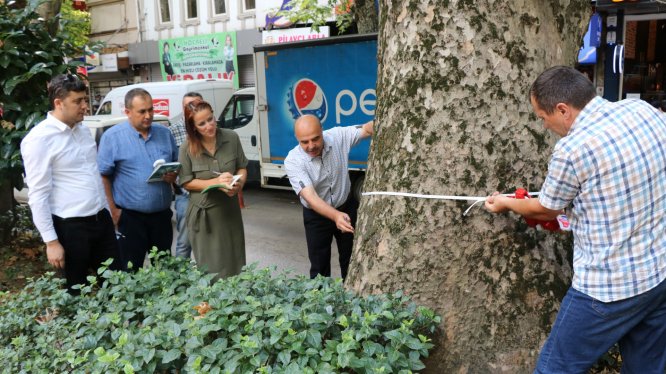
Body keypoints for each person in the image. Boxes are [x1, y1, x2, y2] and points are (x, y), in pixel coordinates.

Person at [485, 66, 666, 373]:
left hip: (607, 288)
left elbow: (546, 209)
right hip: (658, 275)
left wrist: (507, 203)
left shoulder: (572, 149)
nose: (544, 125)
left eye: (543, 118)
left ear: (563, 110)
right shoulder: (642, 111)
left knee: (555, 368)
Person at [21, 74, 120, 294]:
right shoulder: (39, 140)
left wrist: (107, 210)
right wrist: (51, 242)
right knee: (77, 292)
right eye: (78, 101)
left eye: (85, 99)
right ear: (58, 103)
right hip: (71, 228)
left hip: (100, 221)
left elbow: (93, 176)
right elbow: (37, 195)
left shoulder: (83, 131)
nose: (85, 106)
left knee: (117, 285)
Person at [97, 88, 179, 271]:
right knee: (130, 270)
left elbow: (175, 166)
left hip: (161, 218)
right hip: (130, 219)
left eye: (151, 109)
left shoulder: (164, 134)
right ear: (127, 112)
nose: (148, 115)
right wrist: (114, 212)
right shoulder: (112, 137)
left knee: (165, 271)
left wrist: (173, 177)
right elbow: (103, 176)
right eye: (142, 111)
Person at [284, 114, 373, 280]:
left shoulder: (337, 136)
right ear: (297, 139)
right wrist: (335, 215)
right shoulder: (293, 161)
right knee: (319, 268)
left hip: (346, 207)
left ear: (322, 131)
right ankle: (322, 302)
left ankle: (351, 298)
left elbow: (367, 129)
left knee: (351, 260)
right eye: (305, 142)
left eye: (315, 139)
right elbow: (310, 197)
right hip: (316, 216)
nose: (311, 146)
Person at [178, 99, 248, 279]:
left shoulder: (231, 137)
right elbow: (186, 182)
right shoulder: (187, 147)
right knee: (211, 269)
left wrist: (237, 184)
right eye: (202, 124)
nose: (209, 126)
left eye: (210, 119)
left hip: (229, 211)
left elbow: (242, 167)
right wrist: (216, 182)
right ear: (193, 127)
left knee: (236, 263)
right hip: (204, 214)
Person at [170, 92, 203, 259]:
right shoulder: (173, 131)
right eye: (187, 105)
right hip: (185, 196)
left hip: (209, 194)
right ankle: (181, 283)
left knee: (208, 243)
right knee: (184, 243)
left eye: (195, 104)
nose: (191, 108)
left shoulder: (208, 128)